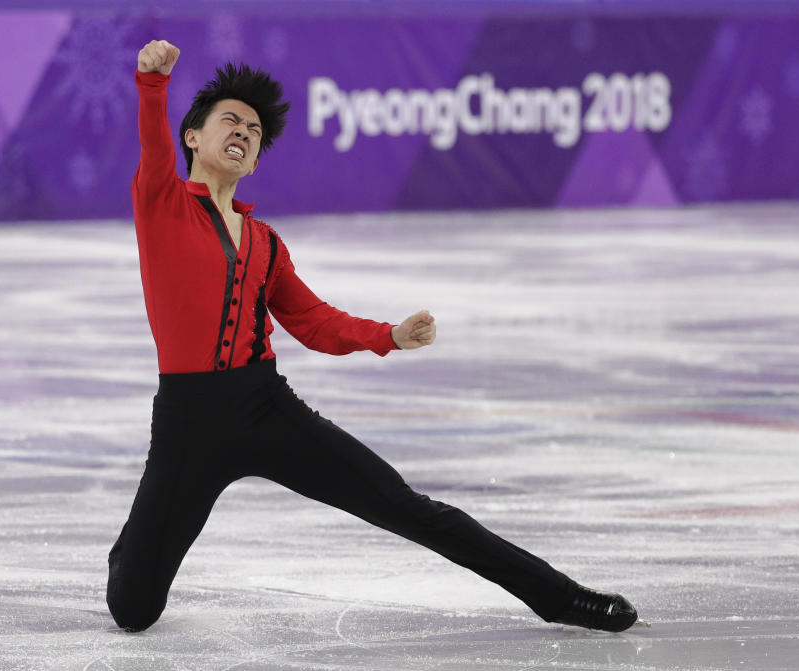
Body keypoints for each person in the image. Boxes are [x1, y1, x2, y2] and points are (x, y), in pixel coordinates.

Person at [106, 39, 639, 635]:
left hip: (265, 408)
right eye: (229, 120)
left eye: (254, 130)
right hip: (189, 423)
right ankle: (134, 547)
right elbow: (151, 147)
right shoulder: (163, 203)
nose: (243, 132)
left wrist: (387, 334)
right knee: (134, 610)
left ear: (256, 160)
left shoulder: (266, 242)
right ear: (193, 139)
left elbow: (313, 321)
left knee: (409, 508)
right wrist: (152, 85)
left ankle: (563, 598)